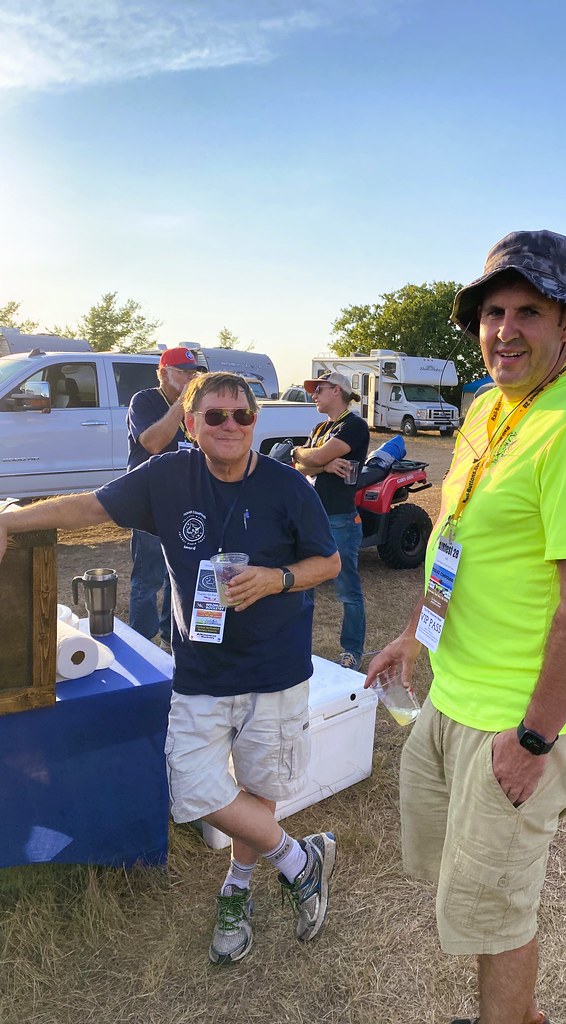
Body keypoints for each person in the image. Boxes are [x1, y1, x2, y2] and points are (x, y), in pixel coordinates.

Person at [366, 230, 566, 1024]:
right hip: (453, 697)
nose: (505, 330)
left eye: (529, 311)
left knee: (500, 911)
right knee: (467, 893)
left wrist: (534, 740)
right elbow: (456, 542)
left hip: (514, 723)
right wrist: (416, 633)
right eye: (493, 311)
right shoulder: (486, 409)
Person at [0, 371, 342, 967]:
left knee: (258, 790)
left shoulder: (289, 486)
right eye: (214, 416)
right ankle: (297, 859)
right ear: (190, 425)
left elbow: (329, 561)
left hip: (276, 669)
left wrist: (277, 578)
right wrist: (8, 520)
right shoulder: (167, 477)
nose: (230, 425)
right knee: (192, 790)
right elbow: (91, 504)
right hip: (203, 669)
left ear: (255, 423)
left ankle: (236, 890)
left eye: (241, 415)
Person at [292, 371, 370, 670]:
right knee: (303, 583)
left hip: (340, 518)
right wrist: (320, 465)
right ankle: (298, 645)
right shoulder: (321, 426)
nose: (313, 394)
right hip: (311, 518)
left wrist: (311, 458)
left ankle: (352, 651)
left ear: (336, 391)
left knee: (347, 589)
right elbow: (298, 465)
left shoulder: (354, 426)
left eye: (319, 389)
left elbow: (313, 456)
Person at [127, 346, 202, 646]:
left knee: (180, 575)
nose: (190, 377)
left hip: (185, 502)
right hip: (150, 501)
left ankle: (174, 637)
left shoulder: (195, 407)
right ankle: (144, 644)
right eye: (182, 371)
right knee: (148, 578)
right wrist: (182, 404)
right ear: (162, 373)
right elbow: (153, 442)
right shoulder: (144, 401)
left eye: (193, 372)